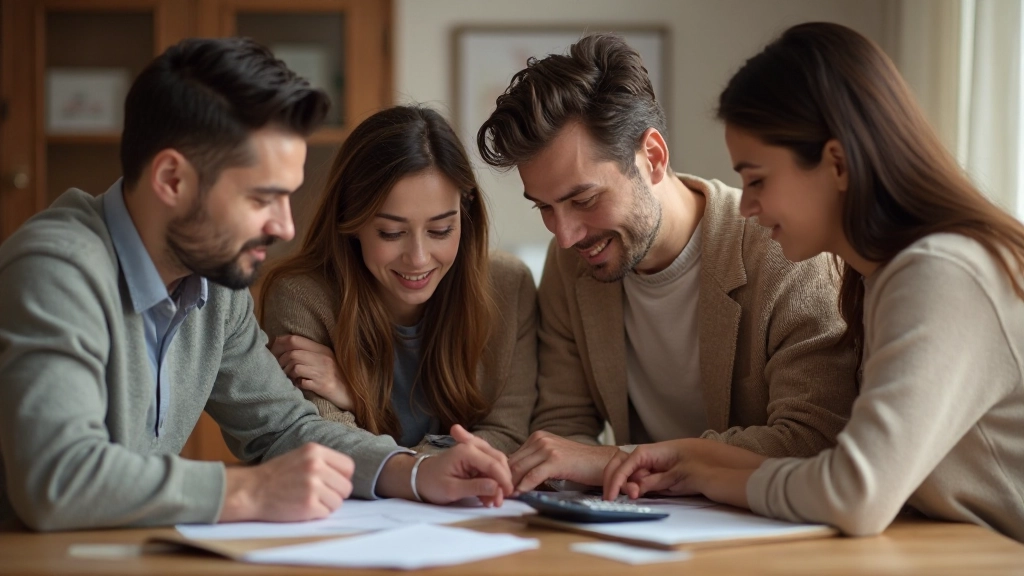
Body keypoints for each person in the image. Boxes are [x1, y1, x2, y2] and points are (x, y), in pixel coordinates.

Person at [0, 38, 510, 532]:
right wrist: (251, 491)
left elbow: (284, 429)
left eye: (287, 197)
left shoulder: (215, 284)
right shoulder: (57, 268)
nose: (285, 227)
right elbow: (57, 477)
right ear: (172, 180)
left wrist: (415, 472)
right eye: (261, 198)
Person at [603, 22, 1024, 543]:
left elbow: (856, 493)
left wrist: (714, 476)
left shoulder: (941, 272)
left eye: (757, 179)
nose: (748, 205)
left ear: (837, 162)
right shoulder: (880, 278)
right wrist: (694, 459)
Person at [475, 33, 860, 493]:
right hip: (641, 533)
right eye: (544, 207)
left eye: (584, 199)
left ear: (653, 157)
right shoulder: (572, 262)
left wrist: (614, 462)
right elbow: (565, 427)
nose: (565, 234)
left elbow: (813, 440)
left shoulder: (787, 253)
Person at [258, 105, 537, 457]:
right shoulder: (302, 297)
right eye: (391, 232)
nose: (418, 258)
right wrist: (439, 461)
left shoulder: (510, 286)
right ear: (352, 220)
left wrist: (361, 402)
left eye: (440, 230)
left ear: (465, 210)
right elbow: (323, 447)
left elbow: (508, 435)